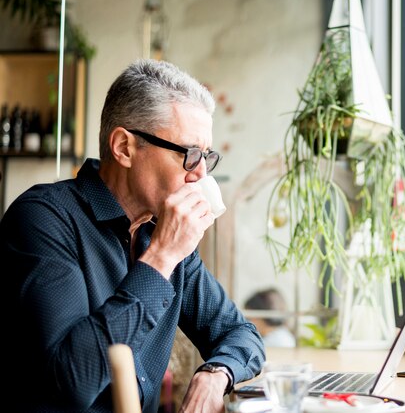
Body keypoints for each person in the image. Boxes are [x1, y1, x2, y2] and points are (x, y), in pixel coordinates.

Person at [0, 59, 265, 412]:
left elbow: (240, 333)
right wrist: (161, 258)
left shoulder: (163, 234)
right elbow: (72, 383)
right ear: (124, 147)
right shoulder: (42, 219)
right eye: (189, 154)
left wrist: (217, 372)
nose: (200, 175)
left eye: (206, 156)